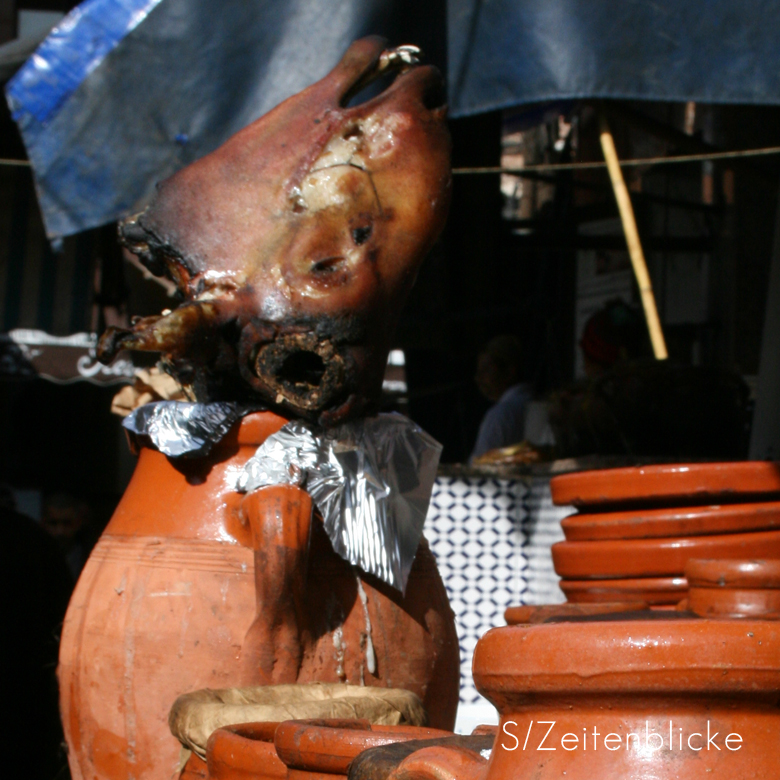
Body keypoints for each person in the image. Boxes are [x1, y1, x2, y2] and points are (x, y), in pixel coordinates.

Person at [471, 335, 533, 460]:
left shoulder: (500, 414)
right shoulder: (534, 402)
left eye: (486, 370)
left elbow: (479, 469)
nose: (478, 379)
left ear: (510, 372)